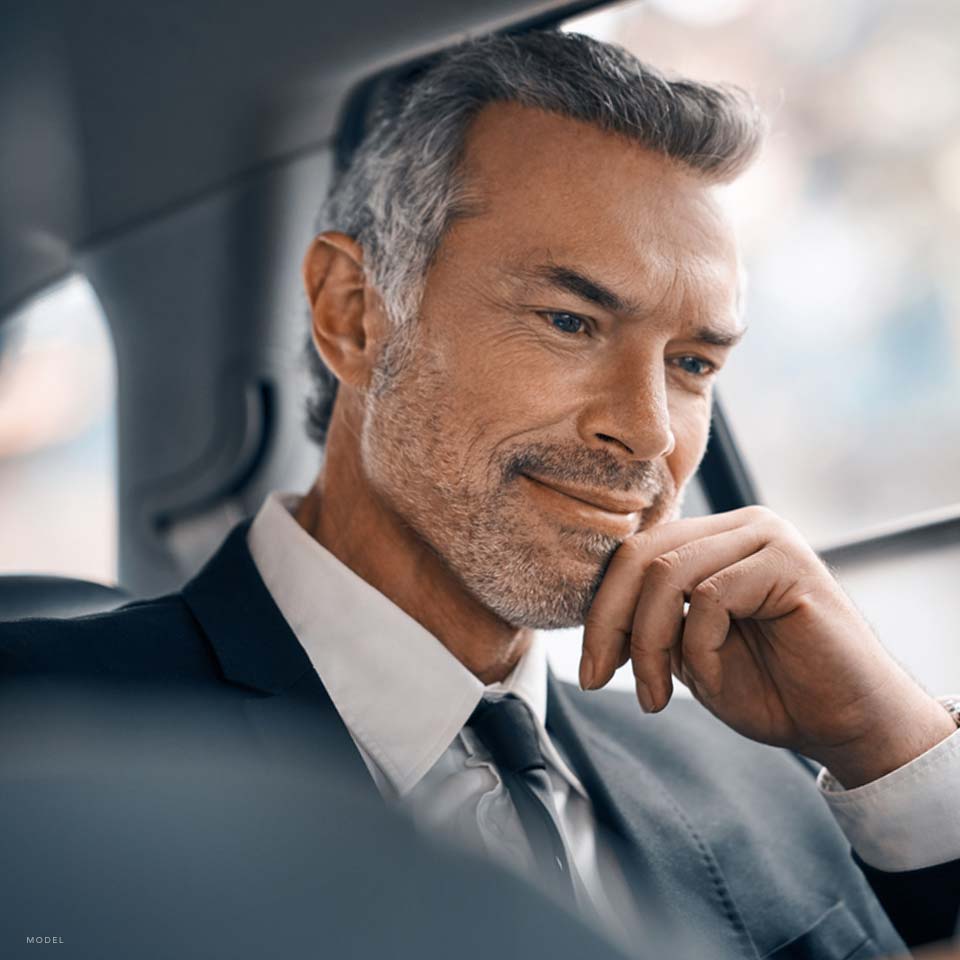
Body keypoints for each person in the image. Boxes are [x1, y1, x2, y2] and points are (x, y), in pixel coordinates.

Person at [2, 29, 958, 959]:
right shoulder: (37, 735)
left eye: (694, 362)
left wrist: (892, 746)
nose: (652, 432)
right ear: (354, 314)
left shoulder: (759, 772)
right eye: (569, 320)